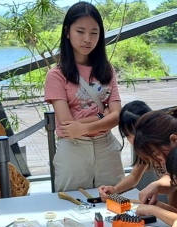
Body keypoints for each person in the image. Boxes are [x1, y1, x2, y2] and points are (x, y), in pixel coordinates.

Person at [44, 1, 123, 192]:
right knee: (71, 207)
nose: (87, 39)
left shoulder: (106, 70)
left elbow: (118, 116)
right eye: (80, 31)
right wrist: (102, 115)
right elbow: (68, 126)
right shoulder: (56, 75)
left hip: (106, 148)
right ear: (67, 32)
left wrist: (87, 124)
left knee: (115, 204)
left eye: (94, 33)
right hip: (74, 149)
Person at [98, 100, 153, 199]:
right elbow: (134, 177)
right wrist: (114, 190)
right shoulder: (146, 150)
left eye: (135, 134)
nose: (132, 140)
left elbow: (172, 183)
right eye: (128, 136)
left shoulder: (165, 144)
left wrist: (155, 186)